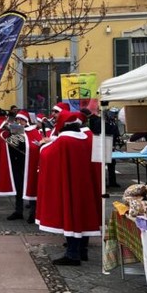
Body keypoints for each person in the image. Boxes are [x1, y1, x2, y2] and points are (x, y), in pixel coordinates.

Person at [36, 112, 101, 266]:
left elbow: (46, 153)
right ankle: (83, 250)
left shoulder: (64, 140)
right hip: (85, 184)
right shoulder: (87, 138)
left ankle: (72, 254)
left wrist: (44, 144)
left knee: (70, 215)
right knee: (83, 216)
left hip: (70, 183)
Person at [0, 110, 42, 223]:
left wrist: (21, 140)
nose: (19, 121)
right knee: (18, 188)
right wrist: (10, 133)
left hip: (29, 165)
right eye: (17, 119)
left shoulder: (33, 131)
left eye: (21, 119)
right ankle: (18, 211)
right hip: (17, 163)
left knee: (32, 187)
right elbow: (8, 143)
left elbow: (35, 147)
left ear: (26, 121)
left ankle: (33, 213)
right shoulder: (14, 131)